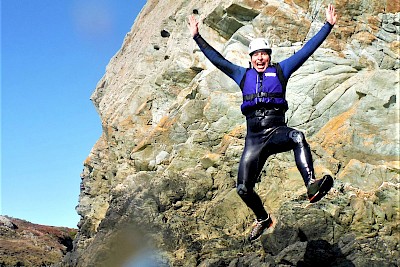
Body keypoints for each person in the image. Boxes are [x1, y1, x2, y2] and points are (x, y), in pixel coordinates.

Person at [188, 4, 338, 241]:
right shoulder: (241, 75)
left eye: (264, 54)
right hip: (254, 140)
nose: (260, 58)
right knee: (243, 188)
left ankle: (311, 184)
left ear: (269, 56)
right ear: (251, 58)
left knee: (297, 136)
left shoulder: (281, 70)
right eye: (256, 54)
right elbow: (217, 59)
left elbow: (307, 50)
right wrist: (197, 37)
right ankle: (263, 219)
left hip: (277, 131)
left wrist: (327, 25)